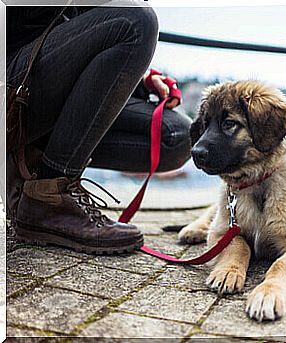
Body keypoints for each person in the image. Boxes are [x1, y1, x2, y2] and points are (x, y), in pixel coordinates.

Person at [6, 2, 192, 254]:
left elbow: (83, 31)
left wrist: (138, 80)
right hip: (10, 81)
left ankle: (36, 168)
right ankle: (50, 194)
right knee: (136, 21)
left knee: (176, 137)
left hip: (44, 79)